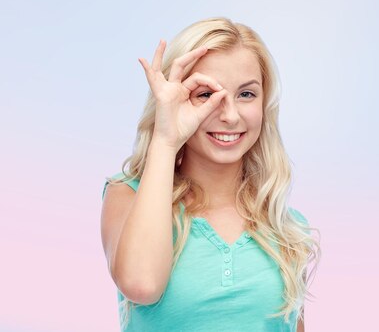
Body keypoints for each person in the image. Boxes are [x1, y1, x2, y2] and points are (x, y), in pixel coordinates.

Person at [100, 17, 321, 332]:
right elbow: (141, 285)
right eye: (205, 95)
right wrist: (166, 139)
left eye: (246, 94)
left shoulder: (286, 228)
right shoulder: (126, 196)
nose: (229, 115)